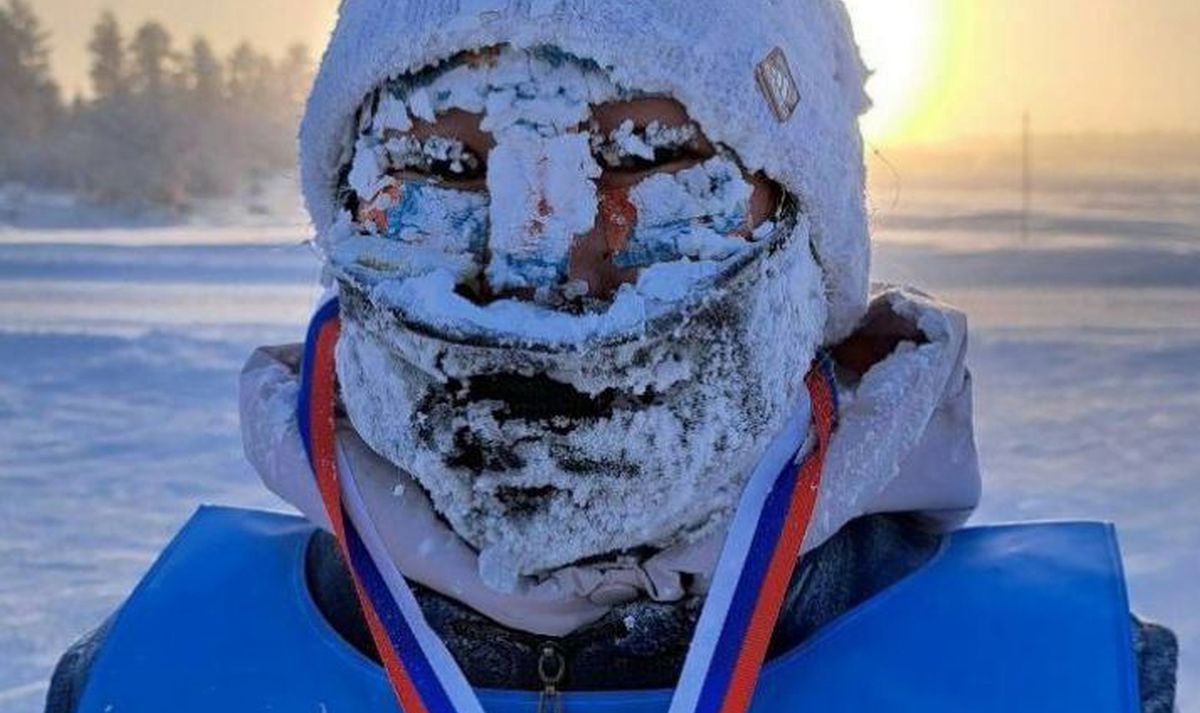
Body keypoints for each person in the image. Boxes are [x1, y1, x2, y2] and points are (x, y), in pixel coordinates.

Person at [47, 1, 1178, 711]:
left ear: (812, 223)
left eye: (646, 157)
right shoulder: (141, 676)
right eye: (442, 171)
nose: (545, 261)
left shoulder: (1066, 676)